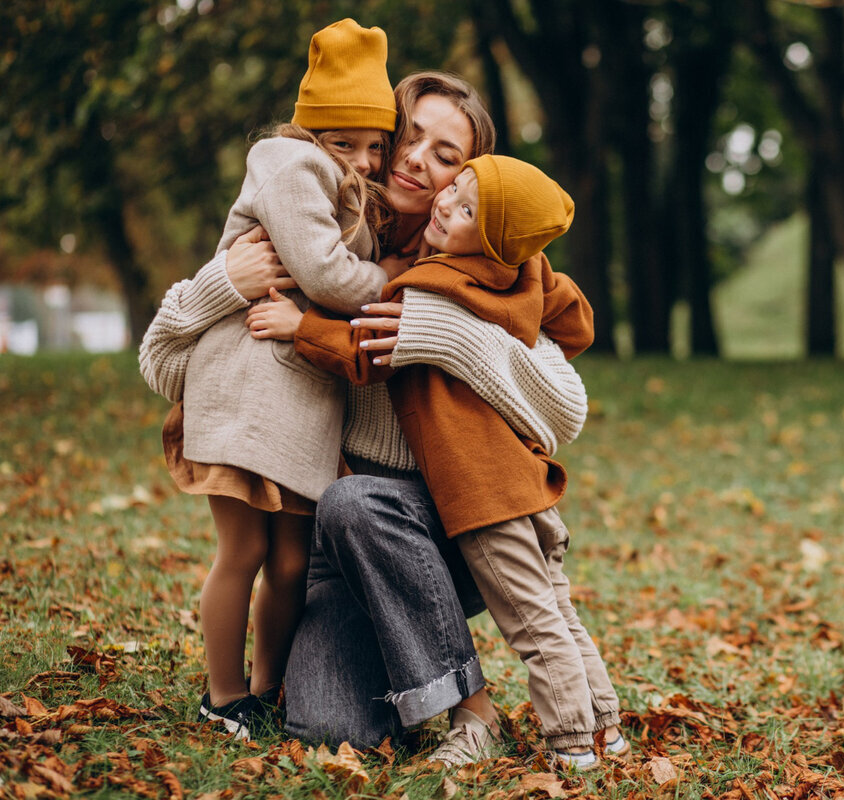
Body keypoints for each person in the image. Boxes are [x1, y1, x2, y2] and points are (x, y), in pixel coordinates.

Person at [139, 70, 589, 767]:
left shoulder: (484, 262)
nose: (416, 160)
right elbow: (166, 366)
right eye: (410, 137)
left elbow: (568, 407)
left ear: (470, 182)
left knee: (357, 502)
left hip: (447, 528)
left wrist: (445, 333)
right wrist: (223, 285)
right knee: (327, 728)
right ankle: (393, 664)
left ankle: (473, 708)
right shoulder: (304, 238)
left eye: (446, 156)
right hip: (341, 544)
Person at [258, 155, 625, 770]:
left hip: (476, 497)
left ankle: (570, 743)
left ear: (489, 235)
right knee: (554, 613)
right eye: (451, 191)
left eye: (461, 193)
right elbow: (576, 317)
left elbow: (367, 354)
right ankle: (604, 727)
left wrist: (303, 326)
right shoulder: (519, 273)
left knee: (536, 627)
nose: (443, 202)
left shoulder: (430, 283)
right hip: (517, 489)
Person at [139, 18, 400, 739]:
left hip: (303, 405)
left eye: (376, 145)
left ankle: (267, 685)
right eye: (346, 142)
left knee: (291, 562)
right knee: (245, 550)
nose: (366, 159)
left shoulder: (345, 183)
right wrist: (389, 280)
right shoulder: (288, 166)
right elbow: (324, 273)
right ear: (312, 130)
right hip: (248, 392)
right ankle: (222, 695)